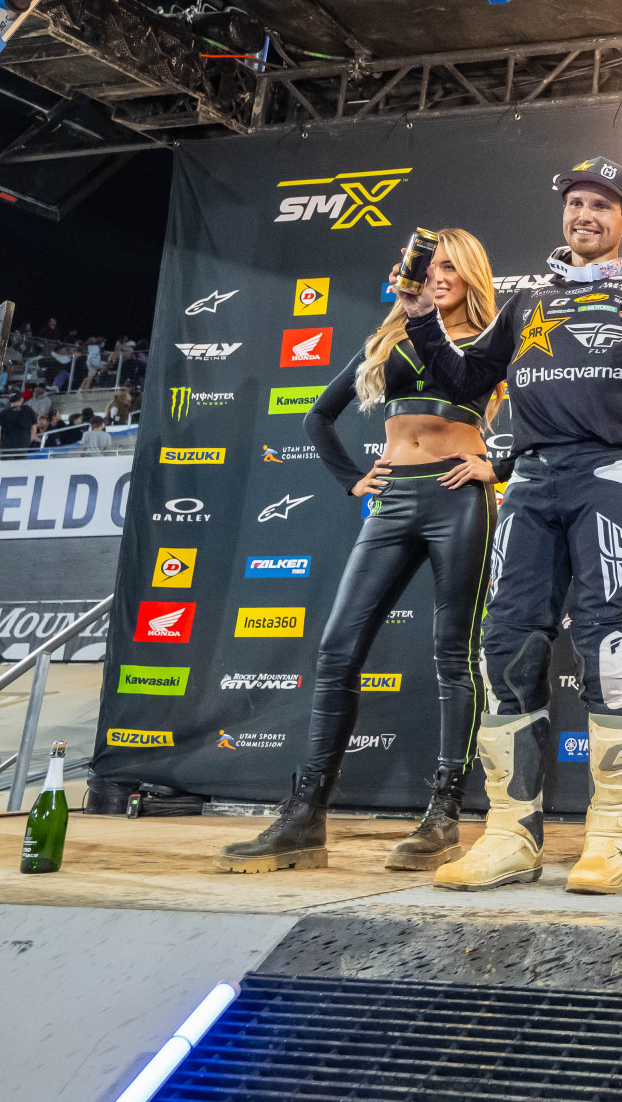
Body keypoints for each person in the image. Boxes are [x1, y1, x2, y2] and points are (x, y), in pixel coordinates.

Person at [397, 159, 622, 894]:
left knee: (610, 646)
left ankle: (612, 833)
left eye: (602, 205)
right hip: (531, 479)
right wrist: (422, 318)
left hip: (608, 478)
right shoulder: (522, 300)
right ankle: (512, 835)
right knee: (504, 645)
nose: (585, 214)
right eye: (576, 202)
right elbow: (461, 383)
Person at [218, 229, 504, 876]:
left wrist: (498, 464)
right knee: (335, 650)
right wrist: (353, 477)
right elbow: (317, 416)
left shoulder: (488, 339)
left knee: (453, 655)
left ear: (472, 275)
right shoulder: (390, 335)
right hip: (393, 497)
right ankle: (304, 817)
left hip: (457, 497)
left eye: (452, 267)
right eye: (431, 266)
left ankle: (443, 815)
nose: (439, 276)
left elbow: (541, 412)